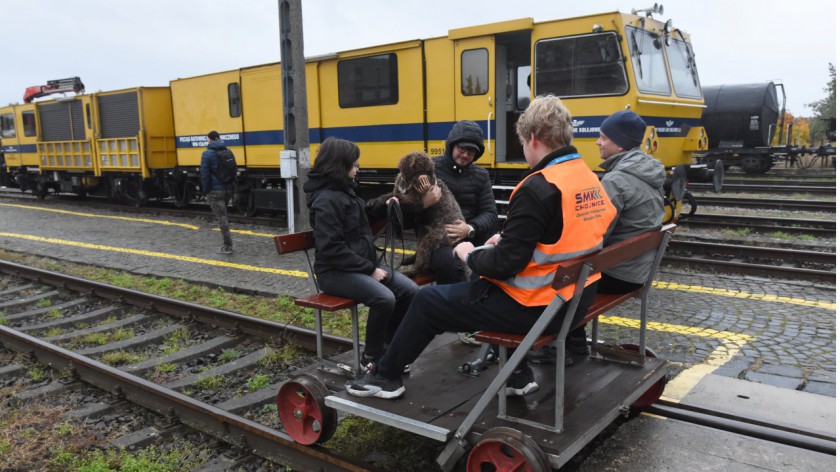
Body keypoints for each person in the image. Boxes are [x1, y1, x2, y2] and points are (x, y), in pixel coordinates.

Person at [346, 96, 617, 399]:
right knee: (476, 282)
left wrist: (469, 253)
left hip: (538, 306)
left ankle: (386, 377)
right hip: (575, 298)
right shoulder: (588, 177)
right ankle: (517, 374)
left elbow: (503, 265)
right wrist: (509, 238)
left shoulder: (539, 186)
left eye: (523, 144)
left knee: (427, 301)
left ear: (533, 138)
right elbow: (578, 229)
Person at [303, 137, 420, 372]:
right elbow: (331, 249)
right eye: (354, 164)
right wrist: (370, 270)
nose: (357, 168)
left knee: (411, 292)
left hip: (358, 266)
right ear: (340, 166)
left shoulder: (344, 192)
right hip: (334, 273)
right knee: (384, 298)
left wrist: (384, 205)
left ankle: (389, 348)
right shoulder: (326, 200)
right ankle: (371, 357)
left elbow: (359, 220)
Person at [595, 109, 665, 293]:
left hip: (616, 275)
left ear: (620, 144)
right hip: (638, 271)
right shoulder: (651, 172)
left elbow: (598, 234)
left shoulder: (616, 180)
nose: (598, 142)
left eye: (603, 137)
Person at [430, 120, 498, 284]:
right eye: (462, 148)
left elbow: (490, 213)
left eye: (471, 151)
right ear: (452, 145)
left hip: (472, 237)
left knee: (499, 257)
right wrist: (425, 202)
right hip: (439, 241)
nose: (466, 155)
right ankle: (453, 307)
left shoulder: (481, 175)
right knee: (454, 266)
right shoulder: (431, 168)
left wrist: (469, 228)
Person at [200, 131, 234, 254]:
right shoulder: (228, 151)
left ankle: (227, 246)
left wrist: (205, 190)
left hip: (215, 191)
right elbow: (233, 170)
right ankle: (227, 244)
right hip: (227, 189)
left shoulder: (207, 154)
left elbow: (204, 175)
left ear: (210, 140)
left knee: (222, 217)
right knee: (224, 215)